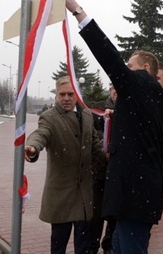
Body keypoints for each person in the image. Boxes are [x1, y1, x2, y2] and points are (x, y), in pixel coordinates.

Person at [63, 0, 163, 252]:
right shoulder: (156, 98)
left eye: (130, 66)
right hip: (140, 194)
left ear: (145, 68)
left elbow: (108, 56)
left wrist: (77, 11)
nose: (125, 71)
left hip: (133, 195)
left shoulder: (141, 85)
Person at [24, 76, 105, 254]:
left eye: (70, 94)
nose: (66, 98)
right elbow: (41, 133)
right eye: (62, 94)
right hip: (61, 194)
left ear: (76, 94)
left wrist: (109, 162)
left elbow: (95, 144)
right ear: (56, 95)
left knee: (83, 245)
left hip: (84, 194)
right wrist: (33, 147)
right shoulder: (49, 117)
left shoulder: (86, 114)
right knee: (58, 244)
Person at [89, 83, 117, 254]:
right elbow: (91, 135)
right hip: (99, 171)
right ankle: (92, 245)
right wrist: (105, 147)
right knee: (95, 214)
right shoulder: (98, 109)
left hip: (117, 174)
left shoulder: (127, 110)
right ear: (110, 89)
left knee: (113, 214)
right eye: (114, 88)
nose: (116, 92)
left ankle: (109, 245)